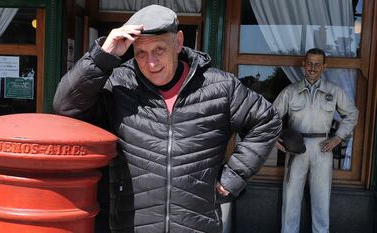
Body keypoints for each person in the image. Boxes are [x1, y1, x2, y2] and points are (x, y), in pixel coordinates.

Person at [53, 4, 281, 233]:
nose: (151, 63)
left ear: (179, 42)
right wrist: (102, 56)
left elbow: (267, 121)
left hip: (197, 226)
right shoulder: (120, 85)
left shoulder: (220, 87)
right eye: (141, 53)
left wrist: (234, 176)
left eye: (159, 50)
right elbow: (65, 106)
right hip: (131, 226)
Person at [274, 48, 358, 233]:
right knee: (291, 197)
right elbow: (270, 117)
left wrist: (338, 137)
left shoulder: (334, 91)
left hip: (323, 149)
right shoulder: (290, 91)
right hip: (296, 148)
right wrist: (273, 139)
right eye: (309, 63)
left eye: (317, 64)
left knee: (321, 198)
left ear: (324, 67)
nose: (313, 68)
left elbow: (352, 114)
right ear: (303, 65)